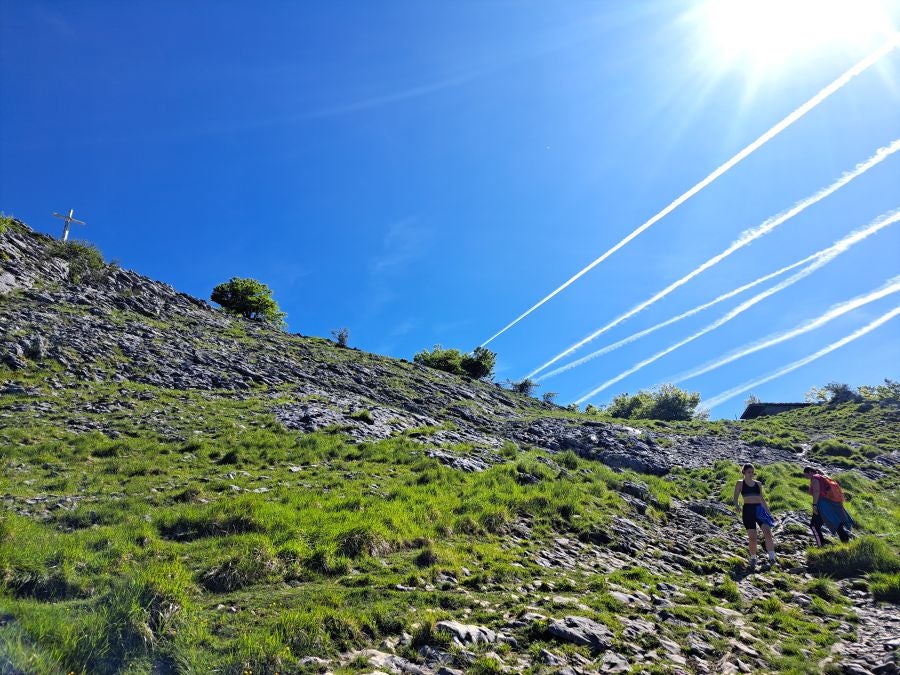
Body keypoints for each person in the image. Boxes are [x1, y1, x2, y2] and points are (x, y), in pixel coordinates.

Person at [732, 463, 776, 571]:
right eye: (749, 472)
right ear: (744, 472)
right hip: (748, 511)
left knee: (767, 532)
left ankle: (772, 558)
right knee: (753, 537)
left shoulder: (758, 484)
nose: (751, 474)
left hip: (759, 510)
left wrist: (769, 513)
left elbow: (762, 499)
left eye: (752, 472)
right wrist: (737, 505)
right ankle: (753, 558)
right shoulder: (740, 483)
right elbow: (735, 497)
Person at [803, 466, 853, 545]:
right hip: (830, 504)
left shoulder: (815, 478)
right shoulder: (824, 477)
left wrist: (814, 505)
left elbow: (816, 491)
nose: (805, 477)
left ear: (810, 472)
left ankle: (821, 545)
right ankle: (846, 542)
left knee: (814, 526)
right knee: (836, 522)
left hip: (822, 505)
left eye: (805, 475)